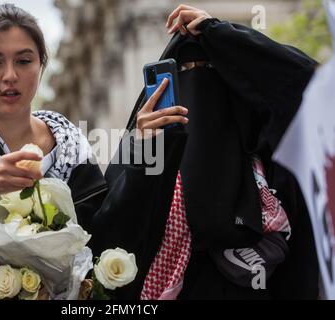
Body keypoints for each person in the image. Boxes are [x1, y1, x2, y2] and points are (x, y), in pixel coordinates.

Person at [0, 4, 187, 300]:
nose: (9, 76)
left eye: (24, 61)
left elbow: (105, 238)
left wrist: (139, 146)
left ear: (41, 66)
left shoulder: (69, 144)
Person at [92, 4, 320, 300]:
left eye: (209, 71)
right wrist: (143, 149)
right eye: (184, 73)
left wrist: (220, 33)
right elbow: (111, 234)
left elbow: (309, 83)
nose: (198, 81)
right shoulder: (153, 160)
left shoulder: (268, 162)